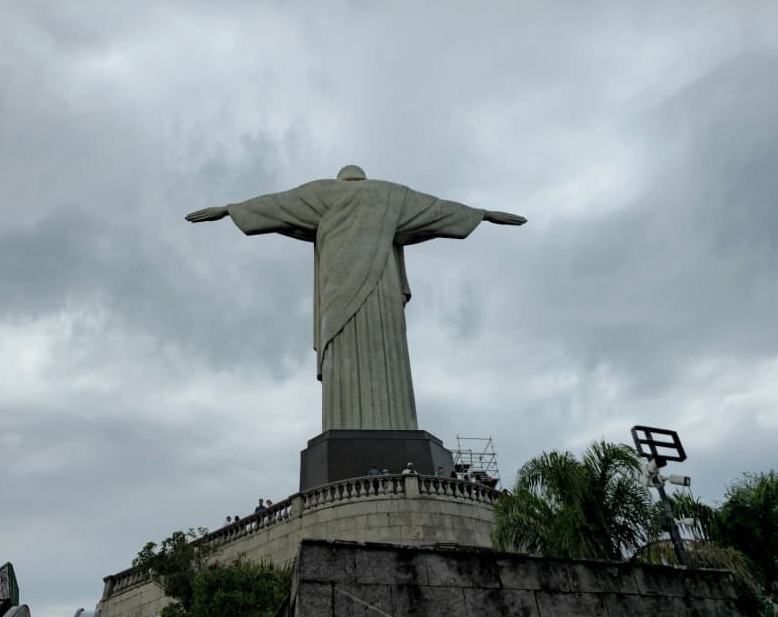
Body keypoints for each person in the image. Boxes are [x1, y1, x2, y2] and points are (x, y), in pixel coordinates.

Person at [186, 167, 526, 431]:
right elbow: (437, 211)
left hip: (339, 291)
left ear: (342, 180)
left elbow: (276, 205)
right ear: (363, 179)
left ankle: (350, 425)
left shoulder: (320, 193)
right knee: (381, 351)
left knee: (346, 351)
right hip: (383, 289)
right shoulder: (392, 195)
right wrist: (483, 214)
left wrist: (229, 210)